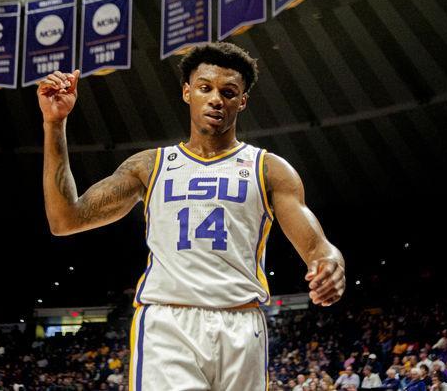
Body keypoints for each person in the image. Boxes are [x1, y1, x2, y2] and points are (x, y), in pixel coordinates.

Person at [36, 42, 346, 390]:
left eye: (228, 92)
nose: (216, 98)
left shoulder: (269, 169)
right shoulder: (149, 165)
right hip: (168, 323)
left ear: (242, 101)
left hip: (242, 324)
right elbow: (65, 219)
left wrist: (332, 266)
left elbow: (320, 250)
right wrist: (55, 124)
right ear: (187, 92)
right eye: (205, 88)